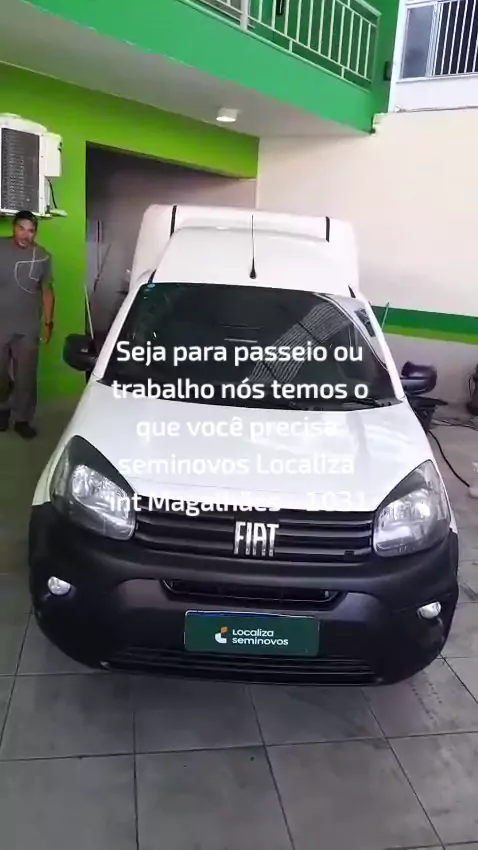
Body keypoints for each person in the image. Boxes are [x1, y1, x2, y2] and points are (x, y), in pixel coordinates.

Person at [0, 210, 55, 439]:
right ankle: (3, 409)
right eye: (21, 229)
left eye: (31, 231)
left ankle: (22, 419)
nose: (25, 235)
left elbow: (47, 291)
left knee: (26, 375)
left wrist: (49, 323)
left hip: (28, 326)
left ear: (35, 233)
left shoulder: (42, 256)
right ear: (14, 227)